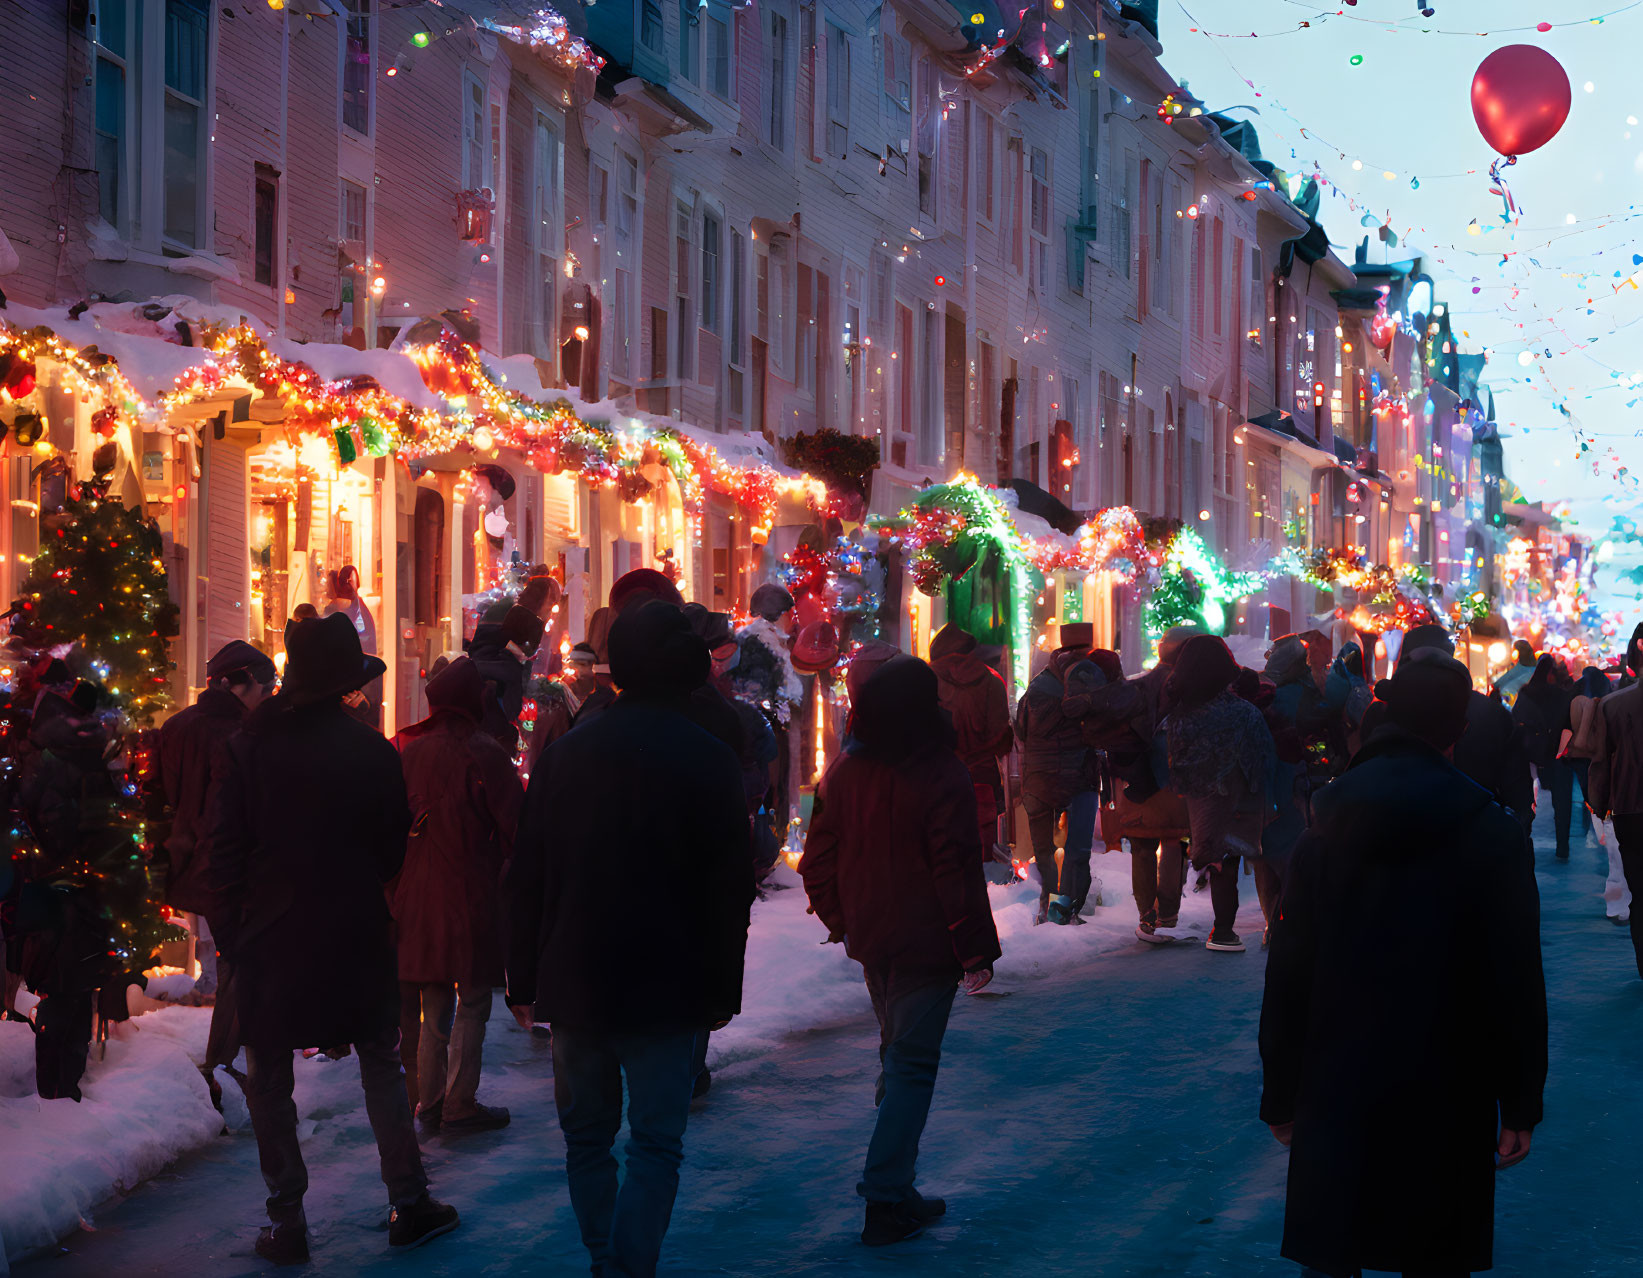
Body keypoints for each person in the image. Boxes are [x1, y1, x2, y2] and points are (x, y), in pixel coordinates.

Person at [1259, 650, 1547, 1278]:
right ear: (1459, 730)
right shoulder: (1491, 831)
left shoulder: (1328, 823)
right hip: (1448, 1076)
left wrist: (1279, 1090)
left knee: (1337, 1244)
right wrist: (1520, 1100)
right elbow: (1515, 976)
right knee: (1434, 1248)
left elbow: (1289, 970)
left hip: (1339, 1072)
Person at [506, 600, 753, 1278]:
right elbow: (728, 888)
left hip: (576, 973)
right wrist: (721, 986)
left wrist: (521, 977)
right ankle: (628, 1266)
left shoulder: (564, 758)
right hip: (670, 980)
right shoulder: (707, 758)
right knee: (654, 1142)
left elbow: (528, 872)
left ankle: (602, 1257)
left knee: (586, 1139)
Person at [208, 613, 458, 1264]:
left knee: (269, 1077)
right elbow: (388, 848)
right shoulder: (368, 751)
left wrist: (233, 933)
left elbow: (225, 851)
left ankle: (286, 1220)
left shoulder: (251, 746)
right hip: (352, 927)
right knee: (380, 1060)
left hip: (270, 931)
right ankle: (409, 1198)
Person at [801, 657, 1001, 1248]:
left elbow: (818, 859)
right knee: (910, 1067)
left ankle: (898, 1185)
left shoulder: (844, 769)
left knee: (897, 1056)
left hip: (876, 941)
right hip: (927, 941)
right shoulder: (941, 771)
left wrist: (844, 920)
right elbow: (955, 868)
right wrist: (973, 949)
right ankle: (885, 1198)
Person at [391, 656, 521, 1134]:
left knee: (434, 1002)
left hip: (415, 895)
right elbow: (516, 827)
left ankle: (429, 1099)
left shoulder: (410, 752)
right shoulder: (483, 754)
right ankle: (459, 1101)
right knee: (472, 1003)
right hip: (468, 893)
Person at [153, 640, 276, 1099]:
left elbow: (161, 793)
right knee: (240, 966)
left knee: (231, 963)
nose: (266, 696)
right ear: (235, 684)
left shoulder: (176, 726)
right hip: (229, 866)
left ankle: (223, 1063)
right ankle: (221, 1066)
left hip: (187, 863)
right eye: (263, 687)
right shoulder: (242, 734)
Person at [1162, 635, 1276, 953]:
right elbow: (1263, 758)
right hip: (1237, 799)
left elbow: (1172, 760)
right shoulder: (1244, 713)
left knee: (1215, 858)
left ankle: (1213, 926)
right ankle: (1224, 929)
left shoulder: (1179, 716)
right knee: (1230, 858)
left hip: (1195, 800)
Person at [1360, 625, 1534, 825]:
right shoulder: (1490, 714)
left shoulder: (1381, 711)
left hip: (1391, 829)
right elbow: (1519, 796)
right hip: (1474, 832)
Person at [1014, 622, 1099, 924]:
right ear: (1088, 647)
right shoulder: (1090, 675)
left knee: (1044, 849)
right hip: (1078, 774)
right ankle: (1063, 910)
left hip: (1037, 776)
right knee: (1077, 849)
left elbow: (1020, 729)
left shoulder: (1038, 683)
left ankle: (1046, 906)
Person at [929, 622, 1013, 861]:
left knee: (942, 853)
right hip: (982, 778)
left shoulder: (924, 679)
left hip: (938, 778)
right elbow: (1001, 740)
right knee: (981, 852)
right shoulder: (992, 680)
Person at [1585, 662, 1643, 977]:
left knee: (1640, 893)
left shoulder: (1613, 705)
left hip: (1631, 808)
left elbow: (1600, 762)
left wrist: (1599, 804)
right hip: (1629, 806)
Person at [1513, 654, 1575, 859]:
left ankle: (1522, 838)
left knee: (1524, 798)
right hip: (1558, 753)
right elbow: (1569, 724)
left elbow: (1516, 721)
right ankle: (1563, 846)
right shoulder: (1562, 696)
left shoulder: (1526, 694)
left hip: (1529, 753)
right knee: (1562, 801)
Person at [467, 604, 545, 753]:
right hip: (488, 749)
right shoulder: (507, 670)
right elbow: (508, 711)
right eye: (532, 646)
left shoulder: (485, 653)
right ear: (525, 642)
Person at [1493, 638, 1537, 705]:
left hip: (1509, 701)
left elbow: (1507, 678)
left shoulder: (1523, 669)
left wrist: (1495, 684)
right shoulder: (1529, 667)